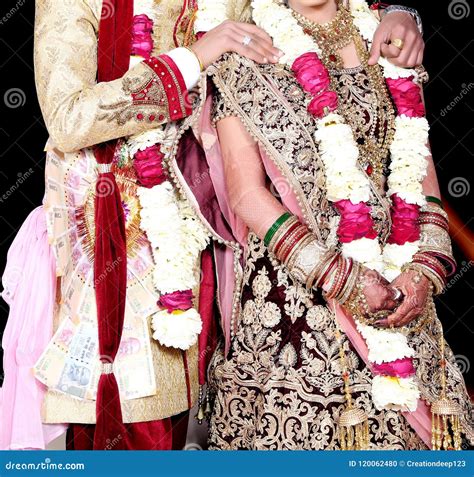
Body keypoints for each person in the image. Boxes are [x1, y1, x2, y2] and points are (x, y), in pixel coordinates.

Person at [0, 0, 427, 451]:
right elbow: (68, 119)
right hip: (115, 251)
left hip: (221, 255)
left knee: (201, 431)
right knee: (132, 435)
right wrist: (194, 59)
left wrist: (398, 13)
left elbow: (305, 8)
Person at [173, 0, 474, 449]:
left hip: (401, 289)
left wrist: (426, 269)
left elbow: (420, 173)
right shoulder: (246, 49)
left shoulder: (388, 37)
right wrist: (342, 278)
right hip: (297, 305)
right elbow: (247, 195)